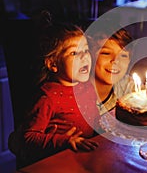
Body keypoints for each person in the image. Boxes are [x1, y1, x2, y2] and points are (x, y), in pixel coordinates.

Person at [8, 20, 100, 168]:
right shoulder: (48, 98)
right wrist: (64, 141)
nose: (84, 56)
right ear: (53, 64)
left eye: (86, 50)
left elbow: (93, 120)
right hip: (57, 162)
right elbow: (28, 138)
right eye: (74, 53)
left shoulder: (88, 87)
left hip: (83, 158)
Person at [88, 22, 134, 115]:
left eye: (123, 55)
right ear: (89, 56)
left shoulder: (128, 87)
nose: (115, 60)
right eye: (106, 53)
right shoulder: (72, 93)